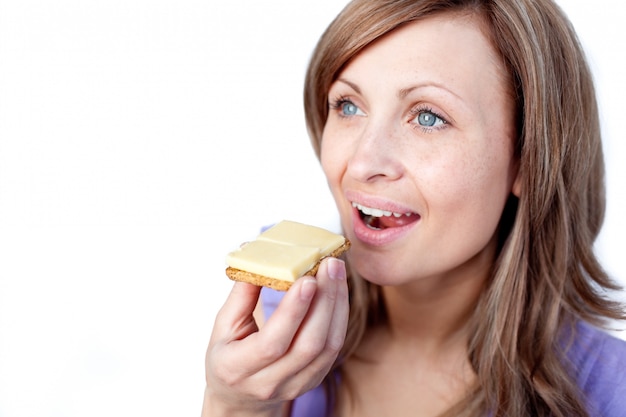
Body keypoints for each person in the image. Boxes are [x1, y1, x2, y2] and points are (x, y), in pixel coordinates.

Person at [202, 0, 626, 416]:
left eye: (427, 117)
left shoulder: (612, 393)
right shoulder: (276, 313)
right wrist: (235, 406)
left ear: (528, 158)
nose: (363, 163)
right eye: (348, 106)